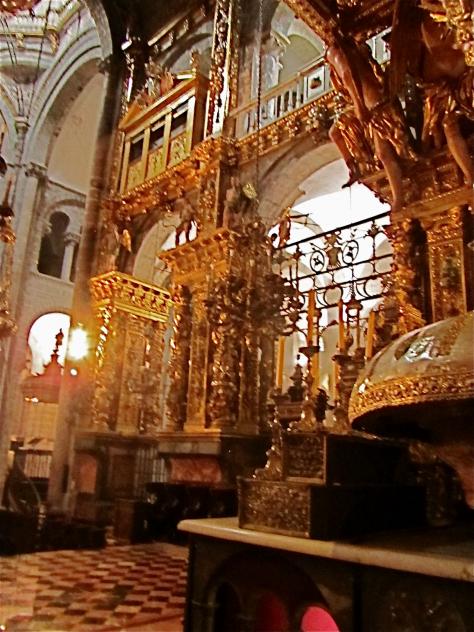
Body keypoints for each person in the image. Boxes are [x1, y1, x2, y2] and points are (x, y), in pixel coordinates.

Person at [326, 28, 415, 212]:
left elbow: (349, 78)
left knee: (387, 153)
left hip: (375, 105)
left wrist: (359, 106)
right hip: (377, 102)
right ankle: (395, 195)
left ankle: (398, 197)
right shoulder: (352, 48)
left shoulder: (335, 51)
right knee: (384, 152)